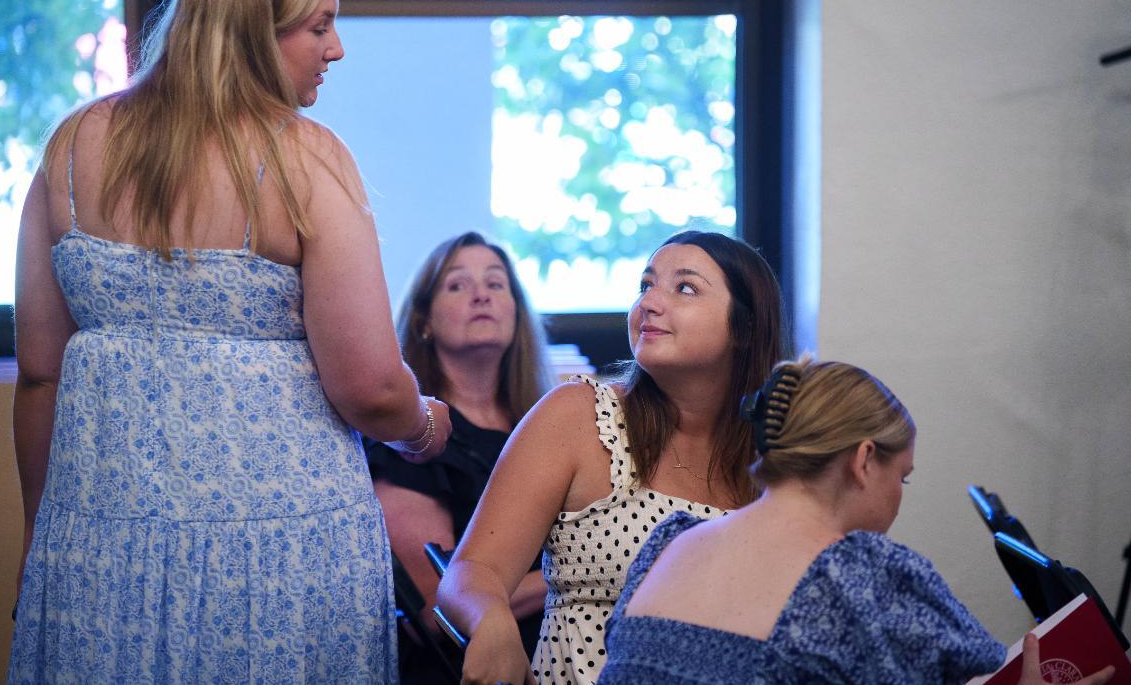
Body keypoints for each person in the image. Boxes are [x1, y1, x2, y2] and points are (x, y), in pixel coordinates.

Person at [8, 0, 451, 682]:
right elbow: (371, 385)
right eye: (319, 26)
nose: (337, 49)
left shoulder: (72, 148)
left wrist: (42, 541)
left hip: (99, 553)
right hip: (283, 560)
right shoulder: (306, 158)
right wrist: (423, 427)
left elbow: (40, 373)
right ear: (254, 29)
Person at [597, 357, 1117, 685]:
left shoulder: (667, 544)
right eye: (903, 477)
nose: (899, 497)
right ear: (864, 460)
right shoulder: (857, 577)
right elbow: (990, 670)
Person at [436, 230, 788, 685]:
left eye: (684, 288)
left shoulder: (778, 462)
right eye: (646, 285)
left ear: (744, 327)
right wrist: (491, 621)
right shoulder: (580, 415)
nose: (650, 303)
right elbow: (471, 571)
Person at [364, 231, 557, 677]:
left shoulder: (548, 426)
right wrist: (584, 576)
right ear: (424, 321)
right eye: (457, 285)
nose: (481, 295)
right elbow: (433, 611)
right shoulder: (411, 444)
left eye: (495, 283)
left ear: (516, 313)